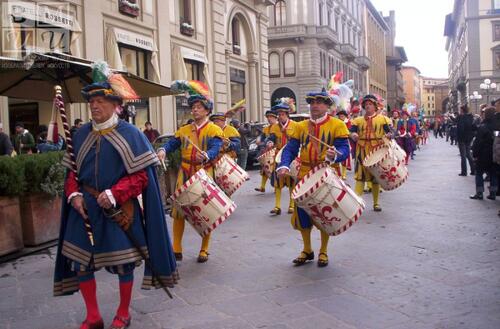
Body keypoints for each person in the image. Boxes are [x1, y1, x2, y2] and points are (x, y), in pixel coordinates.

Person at [54, 62, 178, 329]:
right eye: (91, 102)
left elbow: (141, 177)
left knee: (124, 265)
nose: (94, 106)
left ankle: (123, 313)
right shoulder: (80, 134)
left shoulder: (131, 134)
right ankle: (93, 316)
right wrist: (73, 194)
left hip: (119, 210)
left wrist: (115, 193)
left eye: (100, 101)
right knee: (80, 264)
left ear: (115, 104)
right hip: (84, 210)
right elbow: (72, 173)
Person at [277, 89, 349, 267]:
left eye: (319, 102)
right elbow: (290, 149)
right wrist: (284, 164)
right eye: (312, 102)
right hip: (304, 175)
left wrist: (335, 155)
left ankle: (323, 250)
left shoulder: (338, 125)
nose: (315, 105)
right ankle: (307, 249)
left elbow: (345, 149)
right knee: (303, 214)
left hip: (326, 174)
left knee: (324, 214)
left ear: (327, 106)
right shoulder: (301, 126)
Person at [157, 80, 223, 263]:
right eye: (193, 107)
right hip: (184, 172)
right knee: (178, 211)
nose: (195, 110)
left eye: (199, 107)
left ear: (207, 110)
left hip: (204, 173)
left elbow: (216, 147)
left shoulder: (214, 129)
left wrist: (208, 155)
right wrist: (163, 150)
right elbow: (172, 143)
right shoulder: (184, 130)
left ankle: (204, 249)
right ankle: (176, 248)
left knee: (205, 212)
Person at [350, 94, 392, 211]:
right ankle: (356, 204)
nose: (367, 106)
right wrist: (353, 135)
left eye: (370, 104)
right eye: (366, 104)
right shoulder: (357, 120)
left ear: (375, 106)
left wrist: (389, 135)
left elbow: (391, 133)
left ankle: (376, 203)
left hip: (376, 151)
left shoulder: (383, 119)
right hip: (361, 150)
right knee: (360, 177)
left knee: (375, 177)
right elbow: (351, 132)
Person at [266, 98, 299, 215]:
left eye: (282, 114)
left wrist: (286, 133)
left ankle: (291, 205)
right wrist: (269, 142)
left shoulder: (295, 125)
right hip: (278, 156)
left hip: (291, 156)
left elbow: (296, 141)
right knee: (278, 183)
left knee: (291, 182)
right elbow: (271, 138)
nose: (280, 116)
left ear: (287, 114)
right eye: (279, 114)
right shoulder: (275, 127)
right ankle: (277, 206)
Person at [470, 107, 498, 200]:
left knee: (479, 172)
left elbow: (478, 142)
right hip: (495, 154)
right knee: (493, 173)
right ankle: (493, 193)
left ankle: (479, 193)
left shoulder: (483, 126)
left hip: (483, 154)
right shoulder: (497, 125)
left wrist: (475, 154)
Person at [255, 110, 278, 192]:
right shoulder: (266, 128)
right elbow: (262, 137)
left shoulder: (278, 127)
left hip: (276, 151)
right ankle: (262, 187)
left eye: (271, 117)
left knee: (274, 169)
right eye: (268, 117)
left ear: (275, 118)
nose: (269, 119)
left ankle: (276, 186)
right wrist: (258, 139)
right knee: (265, 169)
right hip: (267, 151)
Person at [457, 105, 476, 176]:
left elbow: (461, 128)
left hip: (462, 138)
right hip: (469, 138)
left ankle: (464, 172)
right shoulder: (471, 117)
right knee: (468, 154)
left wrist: (458, 137)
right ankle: (473, 170)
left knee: (463, 155)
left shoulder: (461, 117)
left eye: (460, 109)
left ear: (462, 110)